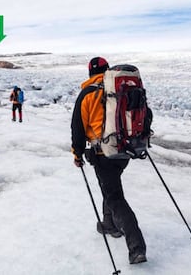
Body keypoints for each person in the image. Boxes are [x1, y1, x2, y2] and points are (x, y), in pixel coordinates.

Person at [70, 57, 147, 264]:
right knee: (110, 186)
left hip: (103, 153)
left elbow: (77, 128)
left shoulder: (87, 94)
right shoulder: (120, 90)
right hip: (125, 150)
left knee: (114, 197)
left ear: (89, 73)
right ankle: (109, 224)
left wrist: (77, 153)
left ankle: (136, 247)